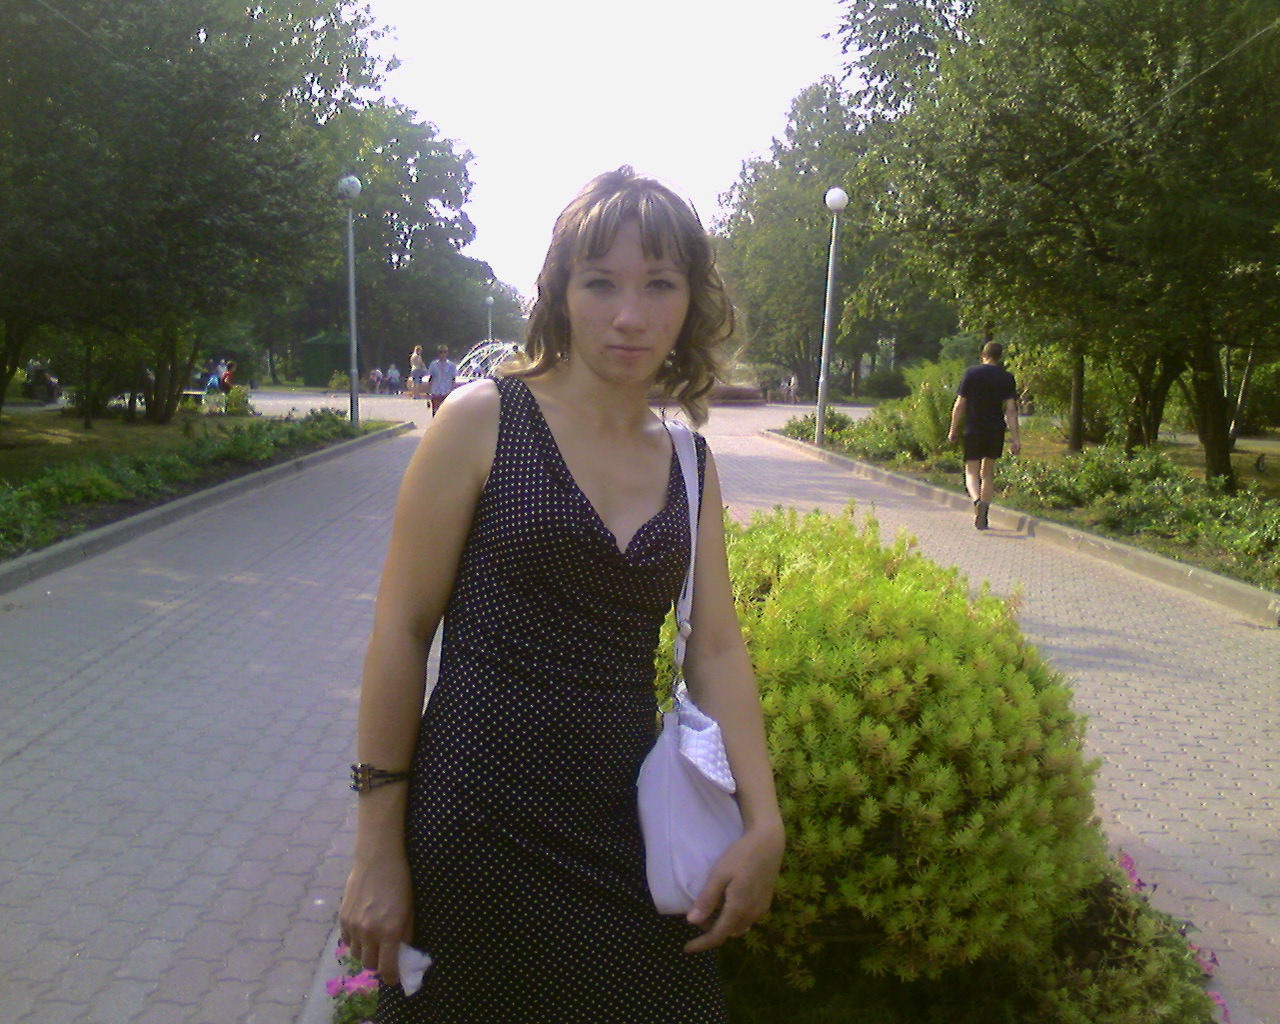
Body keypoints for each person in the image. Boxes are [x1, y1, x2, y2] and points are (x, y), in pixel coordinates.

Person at [339, 166, 784, 1023]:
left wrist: (763, 823)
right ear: (560, 293)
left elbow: (717, 649)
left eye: (660, 285)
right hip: (473, 825)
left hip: (629, 829)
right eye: (601, 283)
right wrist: (376, 849)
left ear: (691, 302)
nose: (630, 315)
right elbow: (399, 632)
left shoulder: (689, 463)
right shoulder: (484, 420)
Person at [948, 340, 1021, 530]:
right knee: (987, 473)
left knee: (971, 472)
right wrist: (1015, 439)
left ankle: (976, 501)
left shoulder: (971, 374)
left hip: (973, 428)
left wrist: (953, 430)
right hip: (995, 429)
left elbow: (960, 405)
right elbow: (1011, 410)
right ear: (1000, 356)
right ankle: (985, 510)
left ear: (983, 355)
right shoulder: (1007, 378)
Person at [425, 345, 458, 415]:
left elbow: (453, 380)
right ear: (438, 353)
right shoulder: (433, 365)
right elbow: (430, 379)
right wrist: (428, 396)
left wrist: (452, 392)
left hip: (446, 393)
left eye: (444, 352)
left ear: (447, 353)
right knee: (435, 414)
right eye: (441, 352)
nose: (443, 354)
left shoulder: (452, 366)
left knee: (446, 414)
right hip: (436, 392)